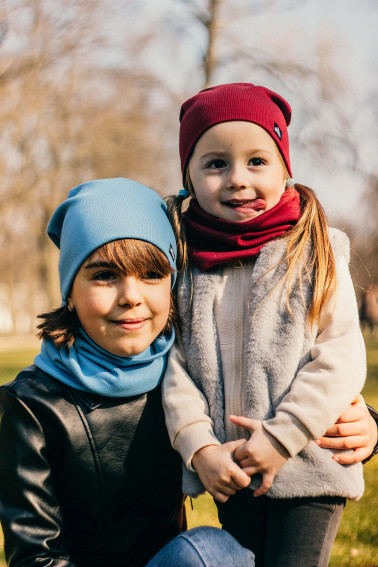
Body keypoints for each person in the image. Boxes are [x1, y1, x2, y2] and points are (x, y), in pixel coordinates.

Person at [162, 83, 373, 567]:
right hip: (229, 467)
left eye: (257, 161)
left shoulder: (313, 248)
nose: (237, 178)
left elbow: (340, 355)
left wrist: (282, 436)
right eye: (215, 163)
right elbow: (175, 369)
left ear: (285, 170)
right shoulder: (188, 265)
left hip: (309, 464)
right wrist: (199, 449)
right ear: (189, 178)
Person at [0, 178, 255, 567]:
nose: (131, 296)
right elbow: (36, 557)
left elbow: (275, 401)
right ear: (69, 291)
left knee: (213, 551)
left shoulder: (184, 376)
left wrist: (365, 424)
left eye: (151, 274)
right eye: (104, 275)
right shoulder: (32, 406)